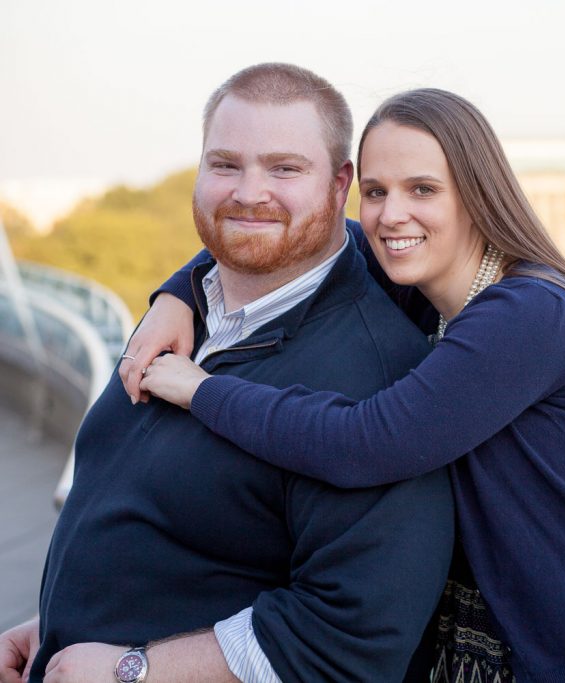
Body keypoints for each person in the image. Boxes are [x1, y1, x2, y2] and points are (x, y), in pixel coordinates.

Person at [127, 89, 565, 682]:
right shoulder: (417, 292)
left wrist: (201, 390)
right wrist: (179, 294)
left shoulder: (532, 314)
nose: (390, 214)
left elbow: (367, 444)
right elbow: (296, 237)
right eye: (376, 191)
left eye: (423, 189)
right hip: (483, 660)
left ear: (477, 195)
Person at [0, 64, 455, 683]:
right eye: (224, 164)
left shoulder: (380, 381)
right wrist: (55, 626)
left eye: (285, 168)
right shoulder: (185, 317)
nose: (248, 192)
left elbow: (352, 634)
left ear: (341, 184)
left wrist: (132, 669)